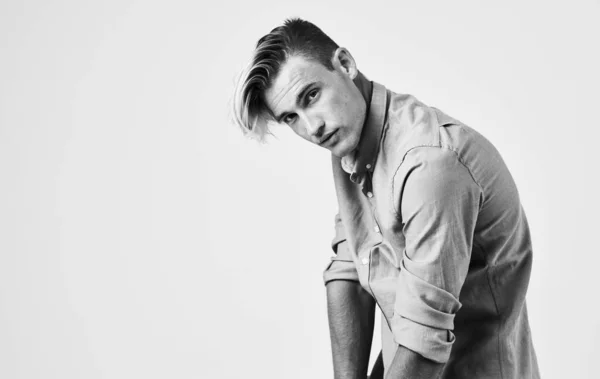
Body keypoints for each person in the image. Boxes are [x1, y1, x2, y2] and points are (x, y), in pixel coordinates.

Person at [231, 18, 540, 379]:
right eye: (291, 117)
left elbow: (424, 340)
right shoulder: (350, 140)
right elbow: (350, 266)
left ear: (344, 64)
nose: (311, 127)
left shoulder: (428, 165)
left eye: (311, 96)